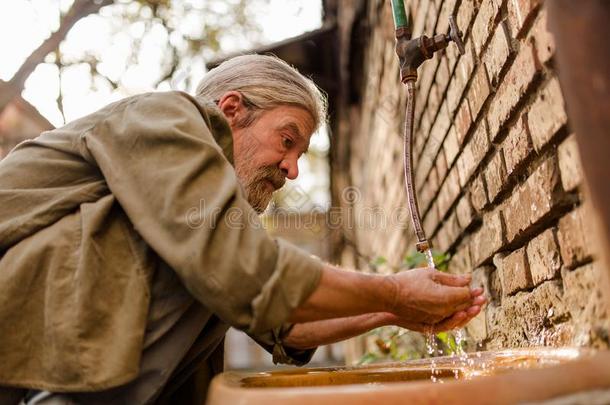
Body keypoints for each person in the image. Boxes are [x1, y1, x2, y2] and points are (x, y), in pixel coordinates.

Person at [0, 54, 485, 404]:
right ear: (232, 109)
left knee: (221, 268)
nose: (291, 170)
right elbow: (249, 275)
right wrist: (395, 292)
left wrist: (392, 311)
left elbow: (285, 324)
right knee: (207, 260)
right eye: (287, 140)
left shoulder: (207, 216)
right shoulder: (168, 117)